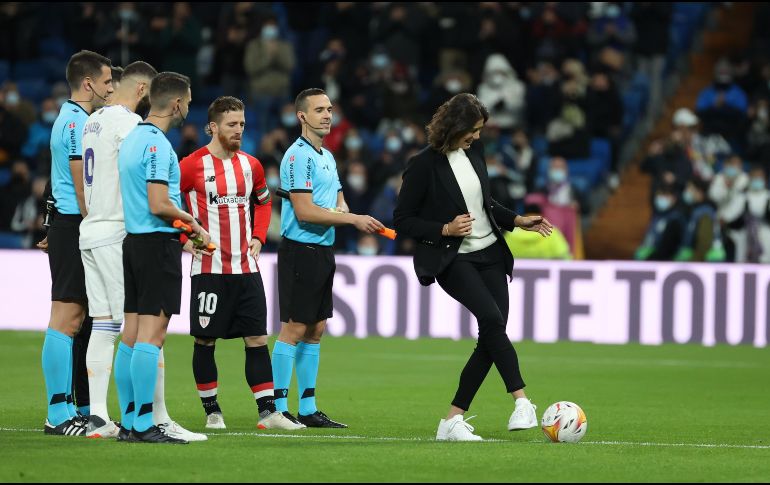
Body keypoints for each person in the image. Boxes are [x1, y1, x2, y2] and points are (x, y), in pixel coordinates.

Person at [393, 93, 553, 442]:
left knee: (490, 338)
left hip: (491, 253)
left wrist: (517, 220)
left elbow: (485, 203)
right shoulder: (422, 165)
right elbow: (403, 220)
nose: (478, 136)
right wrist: (444, 229)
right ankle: (523, 401)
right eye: (474, 130)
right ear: (456, 126)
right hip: (455, 259)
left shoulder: (474, 153)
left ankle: (452, 420)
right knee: (493, 322)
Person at [179, 96, 302, 431]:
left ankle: (268, 413)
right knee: (205, 341)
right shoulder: (191, 166)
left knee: (257, 340)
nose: (238, 130)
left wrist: (260, 236)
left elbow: (262, 203)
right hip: (209, 270)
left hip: (246, 269)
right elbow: (163, 204)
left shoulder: (251, 166)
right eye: (232, 125)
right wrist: (184, 239)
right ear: (213, 127)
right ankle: (212, 410)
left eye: (242, 124)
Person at [274, 88, 385, 428]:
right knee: (293, 328)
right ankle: (277, 409)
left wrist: (345, 209)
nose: (327, 115)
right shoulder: (298, 156)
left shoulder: (326, 156)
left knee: (316, 329)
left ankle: (307, 409)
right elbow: (305, 212)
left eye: (330, 109)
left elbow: (337, 196)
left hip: (322, 249)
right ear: (301, 116)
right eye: (319, 109)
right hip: (300, 250)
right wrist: (352, 219)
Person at [117, 72, 211, 444]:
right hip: (156, 247)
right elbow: (158, 204)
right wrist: (194, 225)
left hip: (135, 244)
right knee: (151, 337)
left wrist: (185, 230)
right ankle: (143, 423)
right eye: (187, 101)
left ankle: (129, 420)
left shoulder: (133, 138)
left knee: (133, 334)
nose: (187, 107)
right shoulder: (158, 146)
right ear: (176, 104)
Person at [79, 60, 157, 439]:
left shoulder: (92, 121)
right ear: (142, 91)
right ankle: (147, 416)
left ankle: (97, 415)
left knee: (105, 324)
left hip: (91, 229)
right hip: (116, 231)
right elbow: (137, 176)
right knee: (142, 326)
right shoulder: (130, 125)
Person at [38, 50, 113, 436]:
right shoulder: (75, 124)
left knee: (77, 318)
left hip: (70, 224)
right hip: (76, 224)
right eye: (105, 82)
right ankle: (57, 412)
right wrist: (93, 222)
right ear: (88, 84)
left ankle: (72, 406)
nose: (110, 88)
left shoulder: (74, 119)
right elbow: (81, 182)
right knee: (65, 318)